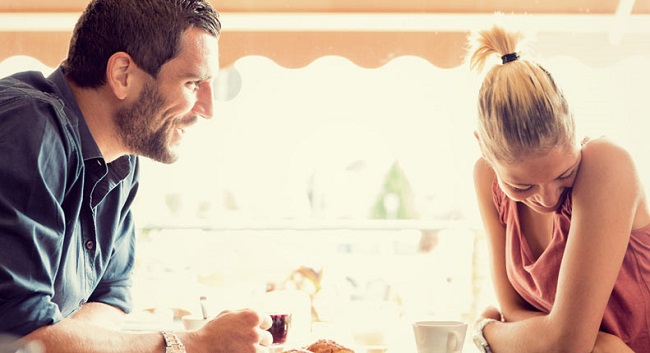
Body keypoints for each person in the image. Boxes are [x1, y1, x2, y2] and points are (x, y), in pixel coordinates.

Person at [0, 0, 274, 352]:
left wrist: (64, 339)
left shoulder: (121, 160)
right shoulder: (28, 128)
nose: (207, 109)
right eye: (193, 83)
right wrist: (194, 343)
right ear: (122, 75)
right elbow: (20, 339)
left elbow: (111, 295)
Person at [469, 25, 650, 353]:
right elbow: (512, 309)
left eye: (565, 174)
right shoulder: (486, 179)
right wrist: (585, 341)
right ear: (484, 149)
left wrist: (484, 332)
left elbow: (567, 343)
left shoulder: (607, 164)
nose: (548, 198)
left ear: (575, 131)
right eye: (521, 185)